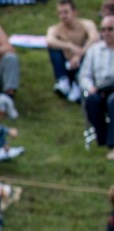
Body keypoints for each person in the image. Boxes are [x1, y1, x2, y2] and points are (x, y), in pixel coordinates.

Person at [46, 0, 97, 103]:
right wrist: (69, 46)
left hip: (83, 63)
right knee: (53, 46)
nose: (63, 16)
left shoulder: (86, 24)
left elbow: (94, 38)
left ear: (74, 12)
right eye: (60, 13)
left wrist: (79, 54)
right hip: (66, 62)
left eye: (66, 12)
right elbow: (50, 40)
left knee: (91, 47)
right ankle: (63, 80)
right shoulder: (56, 29)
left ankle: (77, 83)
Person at [79, 16, 114, 162]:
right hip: (99, 89)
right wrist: (90, 87)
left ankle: (112, 144)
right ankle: (103, 139)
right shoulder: (94, 50)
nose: (106, 32)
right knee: (92, 100)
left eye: (110, 29)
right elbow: (83, 75)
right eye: (103, 29)